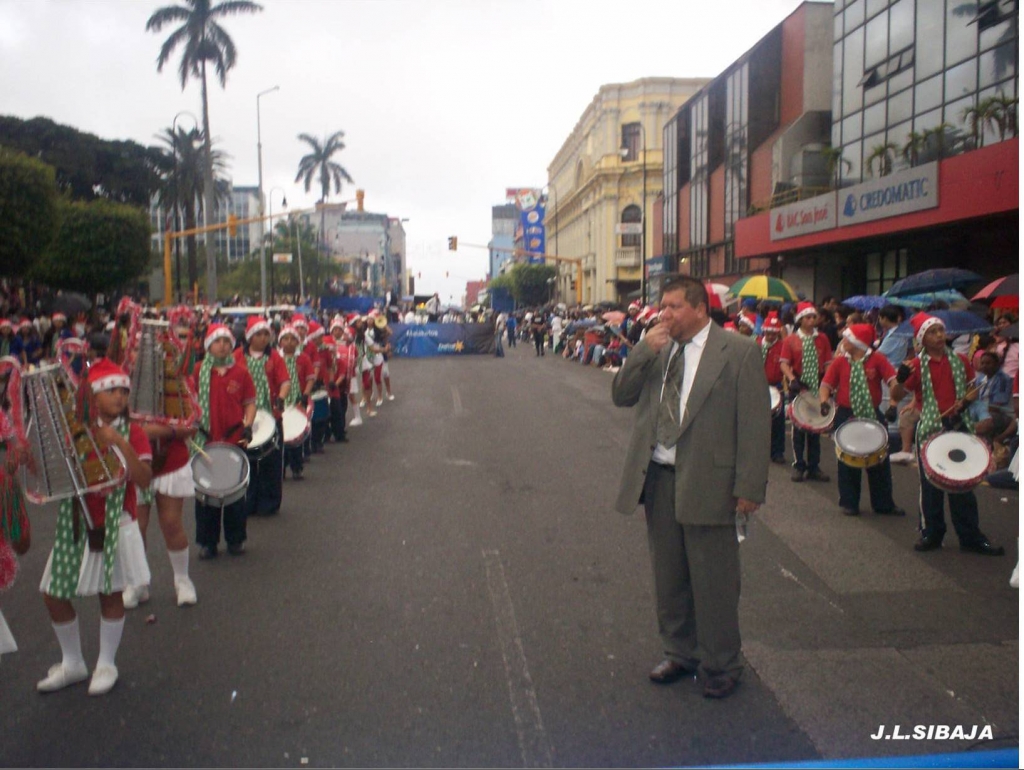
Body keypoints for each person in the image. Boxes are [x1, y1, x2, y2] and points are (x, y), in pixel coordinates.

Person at [612, 275, 769, 700]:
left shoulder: (738, 352)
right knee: (670, 576)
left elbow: (755, 426)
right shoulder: (657, 351)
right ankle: (680, 652)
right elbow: (621, 395)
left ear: (700, 308)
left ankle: (721, 661)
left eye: (674, 306)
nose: (664, 314)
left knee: (713, 579)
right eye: (662, 305)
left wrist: (749, 486)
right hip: (659, 478)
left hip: (711, 482)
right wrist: (644, 350)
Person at [37, 359, 152, 695]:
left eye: (124, 391)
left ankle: (106, 663)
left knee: (110, 592)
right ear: (94, 396)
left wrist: (118, 440)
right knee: (54, 594)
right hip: (75, 520)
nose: (119, 396)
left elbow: (144, 479)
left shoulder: (134, 432)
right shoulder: (74, 428)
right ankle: (72, 662)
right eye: (111, 390)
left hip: (116, 520)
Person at [890, 312, 1005, 556]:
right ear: (922, 338)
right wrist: (900, 379)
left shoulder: (961, 360)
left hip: (958, 425)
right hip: (931, 429)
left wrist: (964, 406)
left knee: (963, 484)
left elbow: (972, 390)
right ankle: (932, 532)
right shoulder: (915, 365)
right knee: (931, 485)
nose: (940, 335)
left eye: (941, 330)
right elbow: (898, 396)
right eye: (933, 332)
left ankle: (970, 536)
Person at [819, 324, 905, 517]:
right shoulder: (840, 362)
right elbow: (826, 385)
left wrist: (893, 403)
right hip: (846, 414)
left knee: (879, 460)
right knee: (847, 460)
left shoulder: (878, 359)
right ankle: (850, 502)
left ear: (858, 342)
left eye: (847, 339)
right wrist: (825, 402)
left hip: (871, 414)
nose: (843, 342)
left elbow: (893, 383)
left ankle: (883, 504)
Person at [191, 323, 257, 558]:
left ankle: (235, 538)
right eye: (217, 341)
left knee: (234, 492)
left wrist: (248, 426)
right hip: (205, 439)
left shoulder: (240, 372)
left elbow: (249, 402)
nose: (222, 345)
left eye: (226, 341)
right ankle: (208, 542)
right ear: (209, 345)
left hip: (233, 439)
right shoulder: (198, 370)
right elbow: (188, 401)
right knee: (206, 494)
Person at [780, 301, 833, 483]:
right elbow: (784, 363)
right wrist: (792, 379)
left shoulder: (822, 339)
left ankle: (813, 466)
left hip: (817, 387)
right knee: (798, 428)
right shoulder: (791, 340)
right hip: (799, 385)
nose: (812, 320)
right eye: (808, 317)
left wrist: (827, 383)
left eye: (813, 317)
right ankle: (799, 464)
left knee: (815, 427)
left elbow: (827, 363)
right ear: (800, 320)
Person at [278, 325, 315, 478]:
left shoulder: (303, 358)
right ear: (280, 341)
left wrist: (305, 394)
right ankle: (281, 469)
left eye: (293, 339)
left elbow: (310, 378)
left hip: (297, 401)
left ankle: (296, 468)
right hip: (281, 402)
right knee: (281, 438)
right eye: (286, 339)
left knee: (296, 437)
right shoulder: (276, 358)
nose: (289, 342)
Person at [758, 311, 787, 464]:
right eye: (768, 333)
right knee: (758, 421)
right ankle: (759, 450)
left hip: (775, 387)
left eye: (773, 333)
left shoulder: (782, 347)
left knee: (778, 421)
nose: (770, 336)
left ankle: (777, 451)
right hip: (757, 385)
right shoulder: (756, 343)